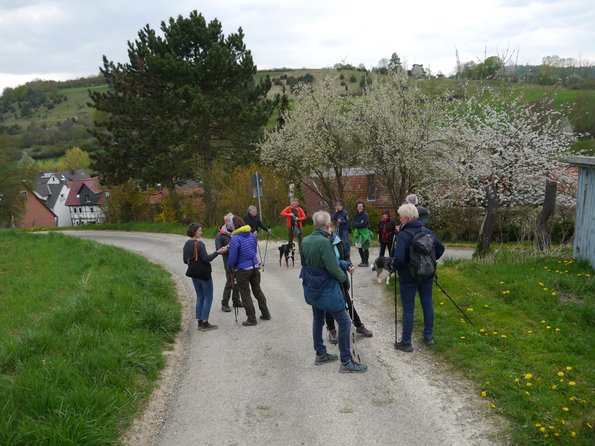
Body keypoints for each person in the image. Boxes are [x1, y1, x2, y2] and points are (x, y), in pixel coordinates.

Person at [300, 210, 367, 373]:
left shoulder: (305, 240)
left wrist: (342, 265)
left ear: (315, 224)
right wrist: (343, 278)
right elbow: (332, 268)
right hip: (326, 289)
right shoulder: (324, 242)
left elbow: (305, 263)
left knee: (318, 319)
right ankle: (346, 361)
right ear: (328, 225)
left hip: (312, 287)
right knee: (344, 322)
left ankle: (320, 354)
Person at [391, 203, 444, 352]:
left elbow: (399, 259)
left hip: (408, 276)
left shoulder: (403, 235)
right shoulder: (427, 231)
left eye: (401, 216)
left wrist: (394, 266)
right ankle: (428, 337)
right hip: (426, 274)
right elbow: (440, 249)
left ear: (407, 218)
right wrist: (429, 261)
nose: (399, 219)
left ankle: (406, 342)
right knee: (427, 303)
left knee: (408, 308)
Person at [325, 226, 373, 344]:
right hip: (327, 278)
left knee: (348, 301)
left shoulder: (338, 241)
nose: (327, 229)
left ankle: (359, 325)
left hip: (340, 277)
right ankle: (331, 329)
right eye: (325, 226)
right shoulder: (321, 242)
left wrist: (349, 265)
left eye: (329, 226)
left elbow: (346, 256)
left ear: (331, 227)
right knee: (329, 304)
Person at [227, 216, 271, 326]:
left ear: (234, 226)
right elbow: (253, 250)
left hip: (243, 269)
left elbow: (233, 257)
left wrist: (230, 266)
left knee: (245, 293)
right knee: (257, 290)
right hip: (255, 266)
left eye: (231, 224)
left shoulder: (235, 238)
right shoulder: (251, 235)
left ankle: (251, 319)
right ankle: (266, 314)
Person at [183, 223, 228, 331]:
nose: (201, 232)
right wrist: (217, 252)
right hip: (203, 274)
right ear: (194, 232)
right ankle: (205, 323)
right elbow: (207, 259)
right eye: (199, 230)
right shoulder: (200, 244)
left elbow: (185, 260)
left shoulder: (187, 244)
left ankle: (199, 322)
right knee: (208, 297)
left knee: (200, 297)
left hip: (193, 274)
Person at [215, 213, 242, 312]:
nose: (233, 222)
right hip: (228, 262)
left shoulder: (237, 232)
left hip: (238, 261)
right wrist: (229, 247)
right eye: (231, 221)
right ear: (226, 222)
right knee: (230, 282)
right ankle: (224, 303)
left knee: (237, 280)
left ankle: (236, 301)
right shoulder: (220, 235)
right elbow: (218, 250)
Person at [352, 201, 373, 267]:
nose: (360, 207)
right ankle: (363, 261)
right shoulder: (355, 215)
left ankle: (366, 262)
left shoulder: (365, 215)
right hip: (358, 233)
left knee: (365, 247)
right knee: (359, 247)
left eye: (361, 206)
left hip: (365, 233)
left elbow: (364, 224)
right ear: (357, 207)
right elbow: (353, 223)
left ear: (363, 207)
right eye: (359, 206)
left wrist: (357, 224)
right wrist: (359, 224)